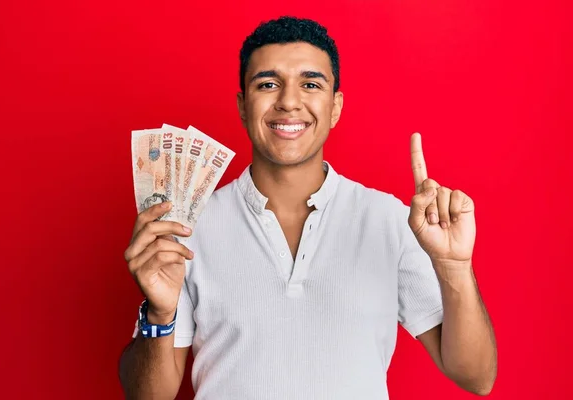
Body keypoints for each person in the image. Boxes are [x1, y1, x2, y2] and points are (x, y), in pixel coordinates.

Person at [118, 16, 497, 400]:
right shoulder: (187, 227)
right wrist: (159, 316)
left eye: (310, 84)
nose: (288, 101)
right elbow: (148, 397)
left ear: (335, 107)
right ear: (243, 106)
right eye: (268, 84)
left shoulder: (390, 220)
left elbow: (476, 377)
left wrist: (454, 269)